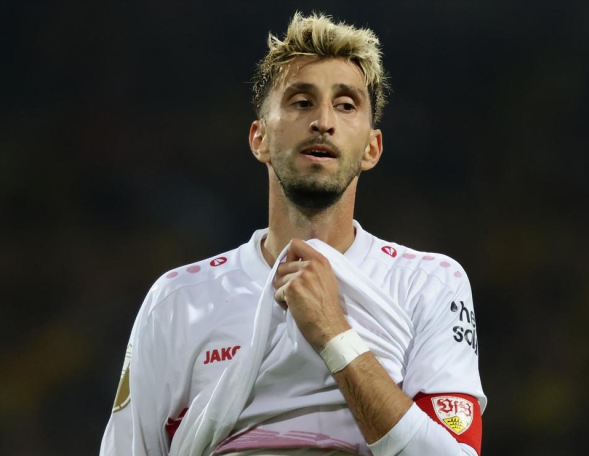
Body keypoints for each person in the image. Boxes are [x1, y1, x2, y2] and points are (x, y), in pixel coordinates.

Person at [100, 12, 486, 456]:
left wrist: (333, 334)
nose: (323, 121)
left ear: (371, 148)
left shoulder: (429, 283)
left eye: (346, 105)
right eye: (301, 102)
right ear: (260, 139)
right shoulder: (178, 300)